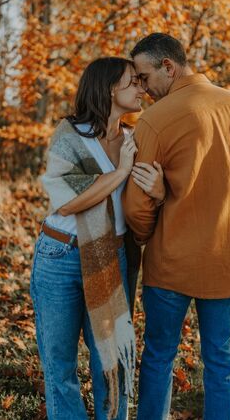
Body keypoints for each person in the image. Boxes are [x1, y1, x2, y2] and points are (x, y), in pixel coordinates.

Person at [122, 33, 230, 420]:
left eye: (146, 77)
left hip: (172, 263)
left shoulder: (154, 120)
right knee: (221, 363)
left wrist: (146, 231)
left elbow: (136, 206)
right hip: (228, 260)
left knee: (159, 357)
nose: (143, 88)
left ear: (169, 67)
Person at [30, 57, 164, 420]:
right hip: (60, 257)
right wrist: (121, 171)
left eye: (141, 81)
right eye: (133, 81)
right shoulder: (70, 135)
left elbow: (146, 197)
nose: (141, 88)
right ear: (108, 88)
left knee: (112, 360)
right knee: (59, 364)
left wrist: (160, 189)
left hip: (111, 257)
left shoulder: (137, 139)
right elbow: (70, 202)